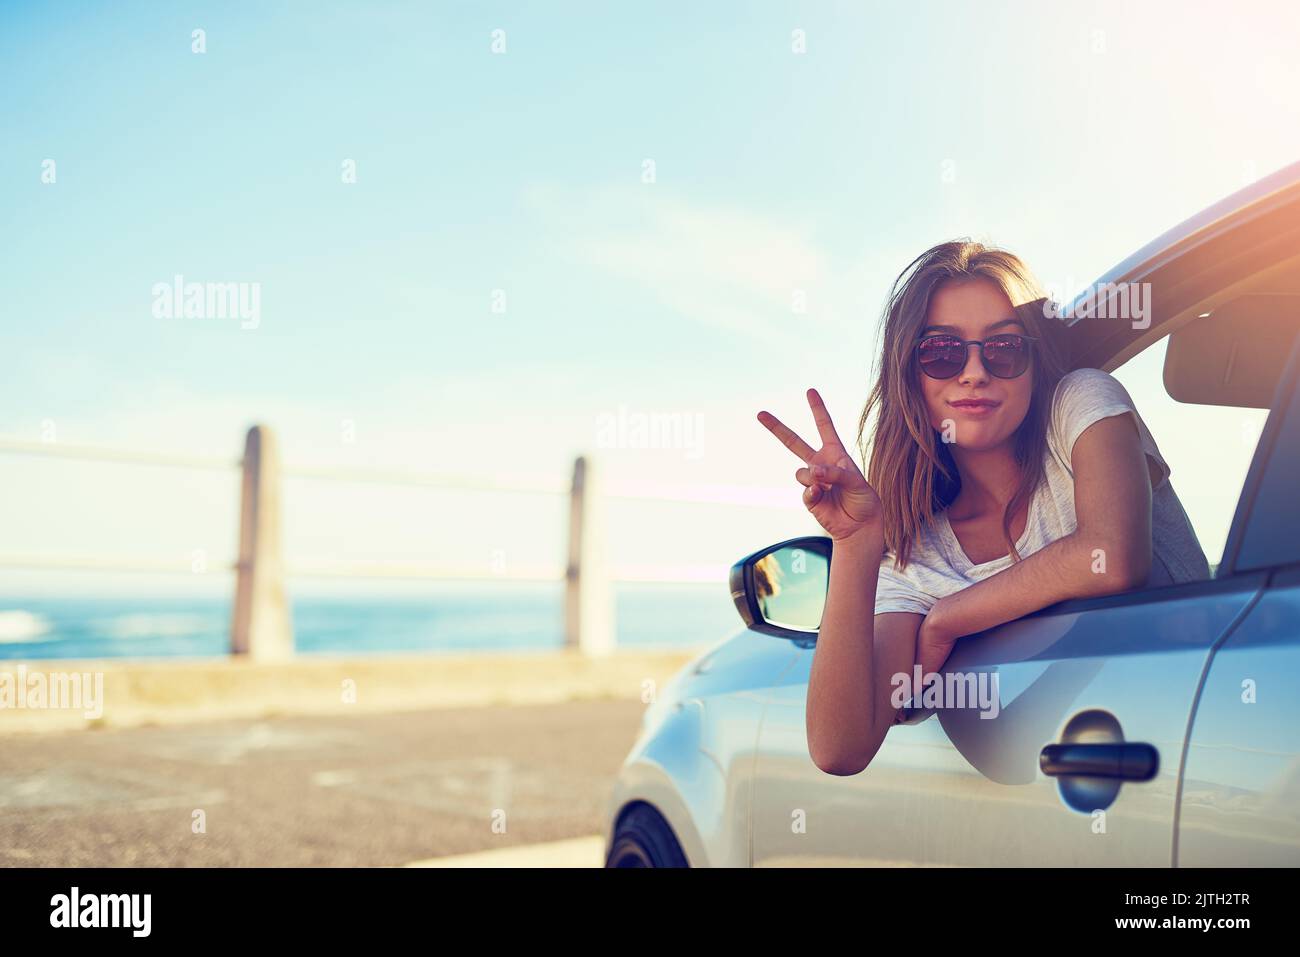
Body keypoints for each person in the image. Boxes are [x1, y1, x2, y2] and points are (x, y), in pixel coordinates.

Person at [756, 240, 1209, 775]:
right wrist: (855, 545)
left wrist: (949, 619)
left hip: (1212, 732)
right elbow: (839, 748)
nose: (974, 373)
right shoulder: (917, 560)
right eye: (942, 352)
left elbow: (1111, 556)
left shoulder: (1081, 406)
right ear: (909, 376)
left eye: (1003, 349)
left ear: (1034, 362)